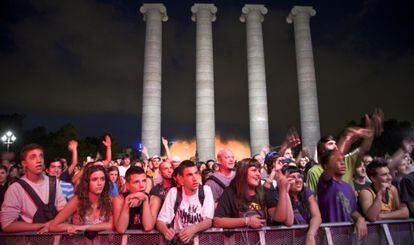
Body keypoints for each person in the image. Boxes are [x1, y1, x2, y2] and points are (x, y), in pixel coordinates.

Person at [1, 144, 67, 233]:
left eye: (41, 156)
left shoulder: (54, 183)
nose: (39, 160)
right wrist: (43, 226)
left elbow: (64, 211)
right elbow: (7, 224)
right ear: (24, 163)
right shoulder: (16, 188)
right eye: (33, 157)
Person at [214, 158, 293, 228]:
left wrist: (283, 190)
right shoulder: (230, 192)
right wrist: (247, 221)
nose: (258, 174)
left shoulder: (264, 192)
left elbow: (279, 217)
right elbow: (217, 221)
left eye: (259, 171)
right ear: (243, 173)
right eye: (254, 170)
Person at [157, 160, 214, 244]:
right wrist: (166, 231)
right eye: (189, 175)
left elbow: (208, 221)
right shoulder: (174, 192)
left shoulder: (206, 190)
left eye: (196, 173)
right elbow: (160, 221)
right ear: (180, 179)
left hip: (201, 241)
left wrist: (192, 229)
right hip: (179, 242)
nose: (195, 178)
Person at [317, 150, 367, 240]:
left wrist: (360, 218)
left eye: (343, 161)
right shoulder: (325, 183)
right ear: (326, 166)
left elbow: (352, 211)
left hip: (347, 237)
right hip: (329, 237)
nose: (343, 163)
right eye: (337, 161)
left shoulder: (348, 187)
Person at [50, 165, 115, 233]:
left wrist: (83, 227)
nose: (99, 183)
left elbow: (111, 225)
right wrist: (71, 227)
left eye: (102, 179)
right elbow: (54, 226)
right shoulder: (77, 200)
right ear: (87, 182)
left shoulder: (109, 200)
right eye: (94, 179)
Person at [282, 165, 321, 245]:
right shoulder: (279, 195)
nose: (298, 180)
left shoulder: (306, 192)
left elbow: (316, 216)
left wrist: (310, 235)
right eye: (292, 177)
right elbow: (288, 222)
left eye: (299, 177)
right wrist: (285, 192)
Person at [113, 166, 154, 233]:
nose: (142, 185)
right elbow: (121, 229)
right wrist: (127, 200)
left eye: (144, 181)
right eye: (136, 182)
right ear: (127, 185)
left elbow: (148, 227)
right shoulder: (119, 199)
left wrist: (145, 200)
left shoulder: (153, 199)